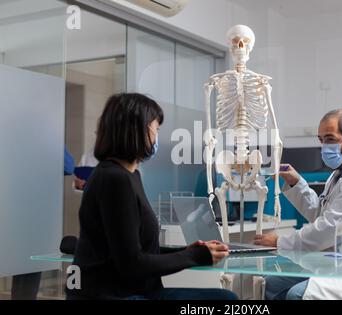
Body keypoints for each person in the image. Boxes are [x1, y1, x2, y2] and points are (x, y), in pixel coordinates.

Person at [66, 93, 237, 300]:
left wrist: (188, 251)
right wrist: (193, 256)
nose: (157, 137)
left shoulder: (129, 176)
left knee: (225, 298)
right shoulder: (114, 179)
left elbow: (137, 251)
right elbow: (132, 263)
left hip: (138, 290)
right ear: (138, 130)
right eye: (156, 129)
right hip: (113, 295)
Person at [254, 109, 342, 300]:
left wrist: (281, 242)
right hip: (337, 263)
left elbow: (331, 228)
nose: (324, 147)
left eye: (330, 139)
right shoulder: (339, 174)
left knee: (297, 295)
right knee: (272, 284)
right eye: (321, 140)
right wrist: (297, 183)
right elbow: (323, 215)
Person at [11, 147, 75, 300]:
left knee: (29, 269)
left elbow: (68, 166)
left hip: (36, 216)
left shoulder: (45, 143)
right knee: (23, 267)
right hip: (22, 214)